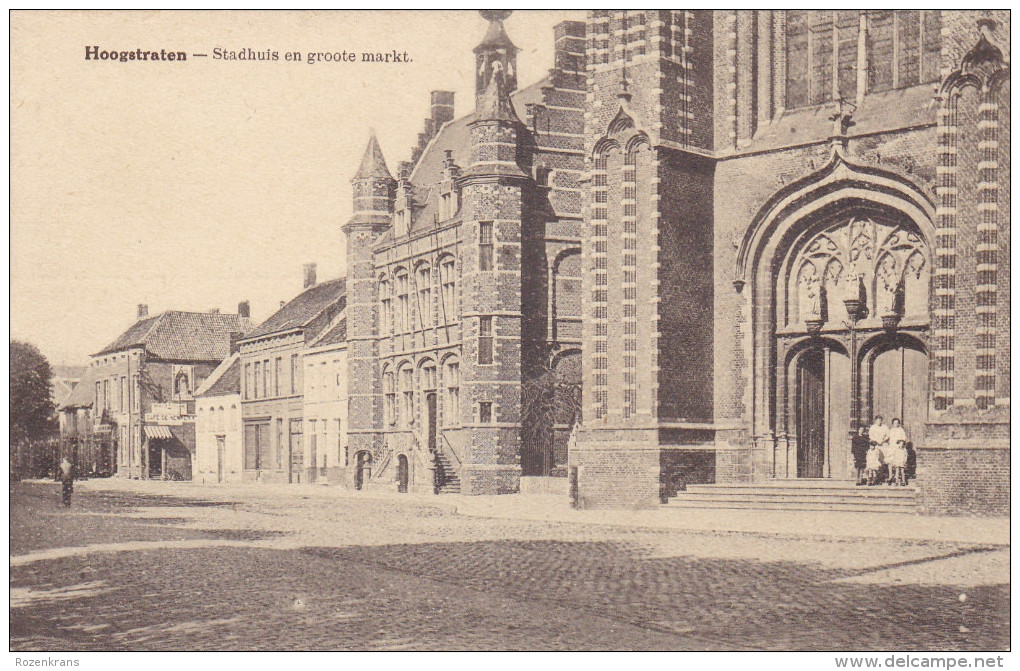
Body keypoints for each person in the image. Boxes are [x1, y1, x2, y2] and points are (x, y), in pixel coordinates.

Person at [886, 418, 908, 486]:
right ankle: (890, 476)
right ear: (892, 424)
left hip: (898, 448)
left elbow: (904, 439)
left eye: (897, 423)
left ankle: (897, 478)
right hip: (892, 448)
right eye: (894, 423)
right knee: (890, 462)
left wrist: (900, 444)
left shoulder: (901, 430)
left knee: (898, 463)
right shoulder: (891, 430)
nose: (896, 424)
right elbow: (887, 438)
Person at [868, 415, 889, 484]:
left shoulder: (885, 427)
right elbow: (871, 436)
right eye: (878, 420)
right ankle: (875, 478)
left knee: (884, 461)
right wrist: (876, 441)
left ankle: (883, 477)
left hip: (883, 445)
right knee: (876, 462)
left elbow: (888, 435)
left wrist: (883, 440)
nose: (879, 421)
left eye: (880, 420)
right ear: (875, 420)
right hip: (876, 445)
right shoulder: (872, 428)